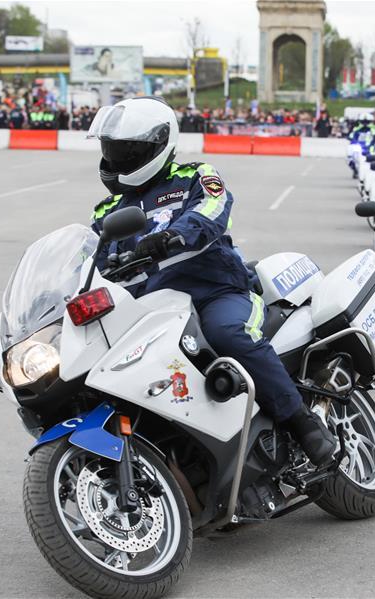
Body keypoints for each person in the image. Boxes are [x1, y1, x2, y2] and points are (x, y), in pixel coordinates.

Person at [87, 97, 337, 467]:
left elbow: (212, 210)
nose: (115, 158)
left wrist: (173, 236)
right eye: (111, 149)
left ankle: (303, 424)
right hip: (152, 309)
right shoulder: (107, 210)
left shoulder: (195, 176)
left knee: (227, 334)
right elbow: (90, 259)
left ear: (156, 146)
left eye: (125, 150)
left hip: (215, 290)